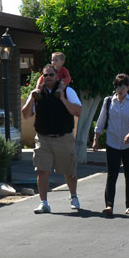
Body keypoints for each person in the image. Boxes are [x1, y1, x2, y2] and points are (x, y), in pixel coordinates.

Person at [21, 64, 82, 214]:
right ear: (42, 77)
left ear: (57, 77)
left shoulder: (67, 91)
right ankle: (44, 203)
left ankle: (73, 196)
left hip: (63, 137)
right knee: (42, 171)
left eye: (51, 75)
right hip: (43, 138)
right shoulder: (38, 93)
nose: (48, 78)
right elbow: (26, 114)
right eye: (45, 75)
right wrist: (32, 97)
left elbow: (78, 111)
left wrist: (62, 98)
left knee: (69, 172)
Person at [93, 74, 129, 217]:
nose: (120, 89)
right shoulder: (108, 101)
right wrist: (96, 138)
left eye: (123, 86)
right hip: (112, 143)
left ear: (128, 87)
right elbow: (101, 121)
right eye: (117, 86)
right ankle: (109, 205)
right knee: (111, 174)